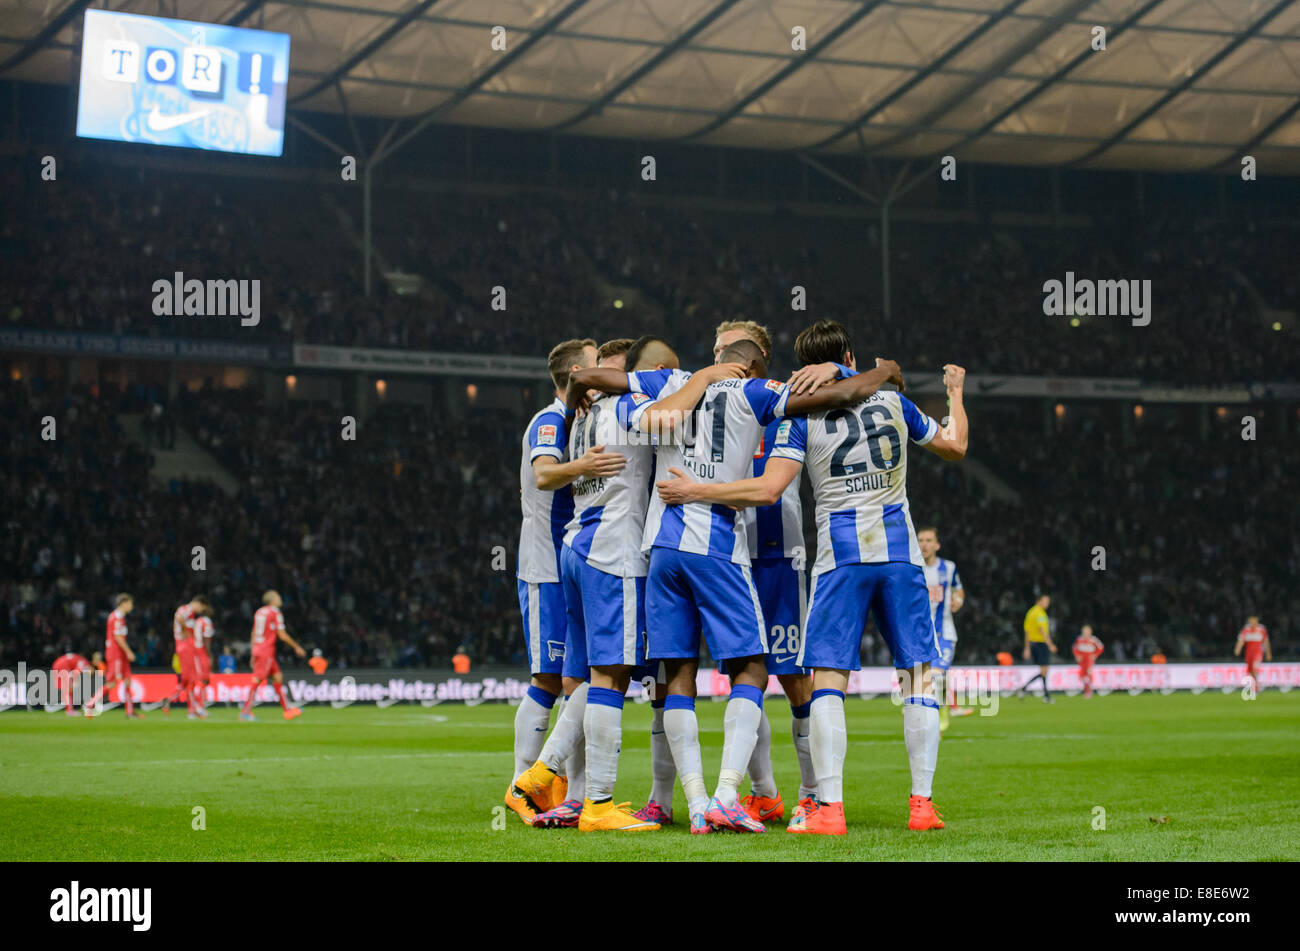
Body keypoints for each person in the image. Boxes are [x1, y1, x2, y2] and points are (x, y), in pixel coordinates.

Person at [657, 321, 967, 834]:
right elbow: (955, 446)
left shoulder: (799, 418)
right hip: (900, 557)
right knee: (917, 677)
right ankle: (922, 805)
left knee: (826, 683)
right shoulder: (895, 403)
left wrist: (698, 491)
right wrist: (955, 394)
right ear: (848, 355)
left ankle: (830, 809)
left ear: (804, 366)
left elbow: (767, 490)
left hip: (840, 559)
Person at [600, 331, 906, 833]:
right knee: (752, 669)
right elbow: (841, 398)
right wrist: (866, 372)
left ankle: (732, 799)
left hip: (720, 549)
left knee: (693, 674)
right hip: (724, 546)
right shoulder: (765, 395)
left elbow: (599, 375)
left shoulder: (674, 385)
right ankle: (737, 794)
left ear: (733, 357)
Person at [506, 337, 619, 823]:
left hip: (570, 562)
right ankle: (523, 784)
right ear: (576, 371)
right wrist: (587, 466)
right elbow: (546, 476)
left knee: (575, 678)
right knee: (548, 678)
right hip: (546, 567)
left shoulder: (577, 420)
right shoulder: (551, 420)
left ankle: (566, 792)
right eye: (595, 366)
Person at [917, 526, 969, 730]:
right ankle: (938, 710)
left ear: (937, 545)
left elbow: (959, 589)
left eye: (929, 540)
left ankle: (941, 717)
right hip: (920, 635)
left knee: (937, 675)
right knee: (921, 682)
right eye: (921, 540)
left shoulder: (948, 567)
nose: (924, 544)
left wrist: (959, 600)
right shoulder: (913, 568)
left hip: (945, 633)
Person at [239, 590, 305, 722]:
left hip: (259, 648)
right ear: (272, 599)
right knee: (257, 679)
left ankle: (287, 710)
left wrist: (253, 652)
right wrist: (296, 646)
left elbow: (254, 632)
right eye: (278, 596)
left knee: (277, 677)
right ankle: (245, 712)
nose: (280, 599)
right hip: (266, 649)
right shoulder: (275, 612)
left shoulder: (259, 612)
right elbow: (282, 634)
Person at [87, 593, 143, 719]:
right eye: (130, 603)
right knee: (112, 683)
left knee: (128, 680)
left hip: (121, 654)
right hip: (116, 654)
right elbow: (118, 637)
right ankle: (90, 704)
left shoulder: (120, 617)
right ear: (123, 603)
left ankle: (130, 712)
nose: (132, 606)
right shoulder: (116, 617)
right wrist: (129, 651)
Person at [1019, 594, 1056, 703]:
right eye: (1045, 601)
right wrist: (1050, 644)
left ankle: (1042, 694)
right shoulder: (1040, 613)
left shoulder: (1030, 612)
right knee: (1044, 670)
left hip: (1033, 644)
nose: (1047, 604)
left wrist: (1027, 648)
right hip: (1041, 644)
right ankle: (1028, 690)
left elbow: (1027, 631)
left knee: (1043, 671)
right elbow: (1042, 630)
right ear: (1038, 601)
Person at [1234, 616, 1271, 689]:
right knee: (1250, 671)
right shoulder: (1246, 629)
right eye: (1251, 622)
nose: (1252, 623)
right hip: (1249, 654)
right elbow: (1241, 640)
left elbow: (1266, 642)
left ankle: (1255, 686)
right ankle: (1255, 685)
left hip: (1258, 653)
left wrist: (1268, 653)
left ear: (1257, 621)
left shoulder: (1261, 629)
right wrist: (1238, 649)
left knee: (1255, 668)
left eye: (1254, 622)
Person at [51, 648, 91, 716]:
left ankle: (69, 709)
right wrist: (74, 682)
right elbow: (76, 672)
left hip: (57, 664)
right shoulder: (84, 662)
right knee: (68, 690)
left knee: (66, 690)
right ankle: (69, 711)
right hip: (62, 666)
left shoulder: (79, 659)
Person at [1072, 624, 1105, 698]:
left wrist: (1095, 655)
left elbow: (1101, 647)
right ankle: (1086, 689)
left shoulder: (1093, 640)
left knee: (1089, 674)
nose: (1086, 633)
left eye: (1087, 631)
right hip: (1082, 660)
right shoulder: (1079, 639)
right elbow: (1074, 648)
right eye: (1084, 631)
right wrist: (1077, 655)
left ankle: (1088, 691)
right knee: (1083, 675)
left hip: (1089, 660)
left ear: (1090, 632)